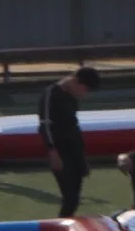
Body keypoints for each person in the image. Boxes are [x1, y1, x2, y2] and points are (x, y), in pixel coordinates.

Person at [37, 66, 102, 215]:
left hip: (75, 150)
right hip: (60, 150)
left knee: (74, 198)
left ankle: (65, 222)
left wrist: (82, 157)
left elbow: (73, 124)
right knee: (70, 197)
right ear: (75, 81)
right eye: (84, 90)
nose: (84, 95)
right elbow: (45, 126)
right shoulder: (51, 94)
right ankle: (60, 227)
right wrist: (52, 151)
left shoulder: (72, 96)